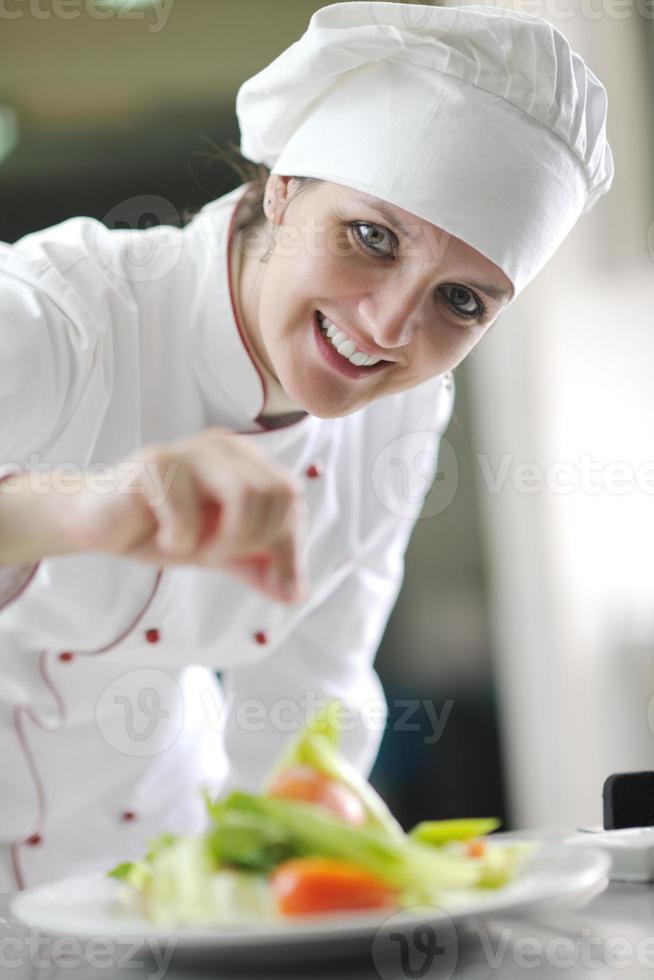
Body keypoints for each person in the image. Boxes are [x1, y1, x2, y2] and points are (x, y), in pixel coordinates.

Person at [0, 1, 614, 891]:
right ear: (282, 186)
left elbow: (307, 708)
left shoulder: (400, 413)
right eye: (371, 238)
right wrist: (73, 511)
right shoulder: (55, 319)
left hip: (149, 893)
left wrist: (325, 893)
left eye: (463, 302)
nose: (391, 326)